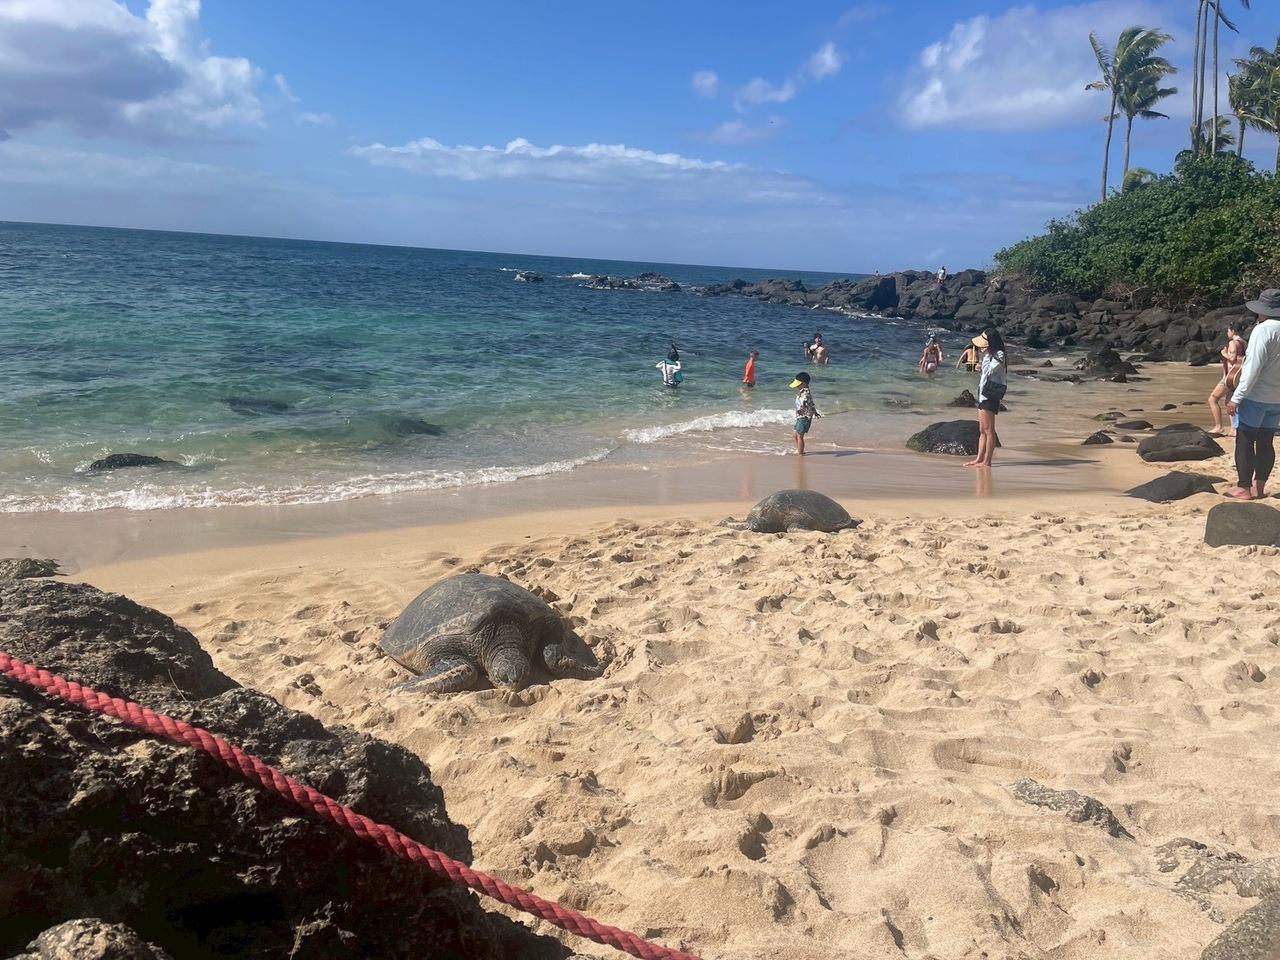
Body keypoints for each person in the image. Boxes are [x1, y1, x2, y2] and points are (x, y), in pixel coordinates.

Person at [1227, 290, 1280, 499]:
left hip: (1256, 396)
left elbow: (1252, 368)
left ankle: (1244, 488)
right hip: (1277, 398)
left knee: (1245, 439)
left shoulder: (1262, 330)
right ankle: (1260, 487)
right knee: (1266, 442)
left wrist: (1236, 397)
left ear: (1262, 310)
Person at [964, 329, 1006, 469]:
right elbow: (984, 373)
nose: (981, 347)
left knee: (989, 430)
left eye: (984, 344)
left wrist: (984, 360)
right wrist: (979, 365)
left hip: (991, 395)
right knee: (982, 430)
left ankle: (987, 461)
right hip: (982, 394)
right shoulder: (989, 355)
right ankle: (979, 459)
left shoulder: (999, 354)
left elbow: (989, 371)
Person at [1208, 321, 1248, 437]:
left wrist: (1224, 353)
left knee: (1213, 399)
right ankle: (1234, 429)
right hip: (1238, 376)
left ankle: (1218, 427)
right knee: (1229, 402)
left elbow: (1232, 358)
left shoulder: (1232, 342)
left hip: (1229, 377)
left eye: (1228, 331)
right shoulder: (1244, 343)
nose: (1227, 333)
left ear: (1233, 331)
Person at [790, 371, 820, 455]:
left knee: (800, 436)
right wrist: (815, 412)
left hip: (804, 417)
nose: (797, 386)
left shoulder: (806, 393)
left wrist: (802, 409)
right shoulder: (802, 391)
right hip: (800, 417)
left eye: (798, 384)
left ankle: (800, 453)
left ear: (804, 384)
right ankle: (800, 450)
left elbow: (806, 402)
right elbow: (811, 403)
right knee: (795, 435)